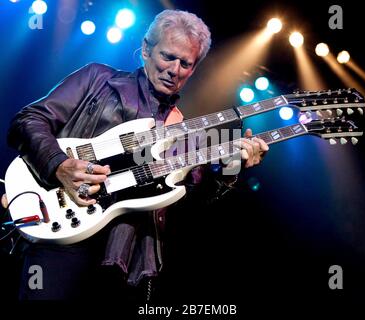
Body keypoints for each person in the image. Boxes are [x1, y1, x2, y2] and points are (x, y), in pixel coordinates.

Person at [6, 9, 269, 301]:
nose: (175, 70)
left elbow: (191, 197)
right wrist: (59, 165)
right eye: (168, 56)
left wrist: (233, 165)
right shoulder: (99, 79)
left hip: (125, 260)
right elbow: (27, 121)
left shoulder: (180, 129)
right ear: (145, 49)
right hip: (62, 236)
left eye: (185, 63)